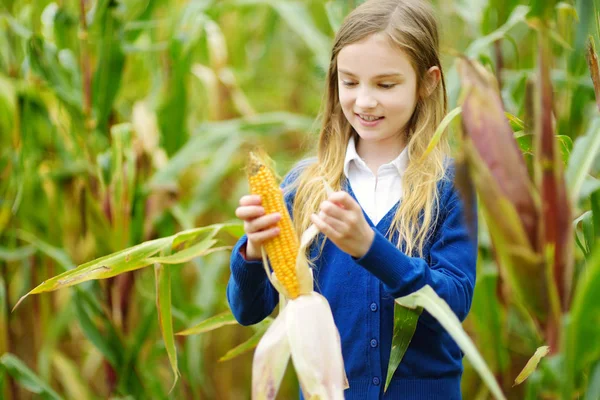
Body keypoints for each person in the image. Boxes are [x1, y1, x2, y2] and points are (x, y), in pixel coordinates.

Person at [227, 0, 478, 398]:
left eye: (385, 84)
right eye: (350, 82)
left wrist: (371, 248)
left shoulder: (449, 186)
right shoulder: (304, 185)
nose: (363, 101)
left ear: (428, 82)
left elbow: (453, 306)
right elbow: (249, 310)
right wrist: (256, 250)